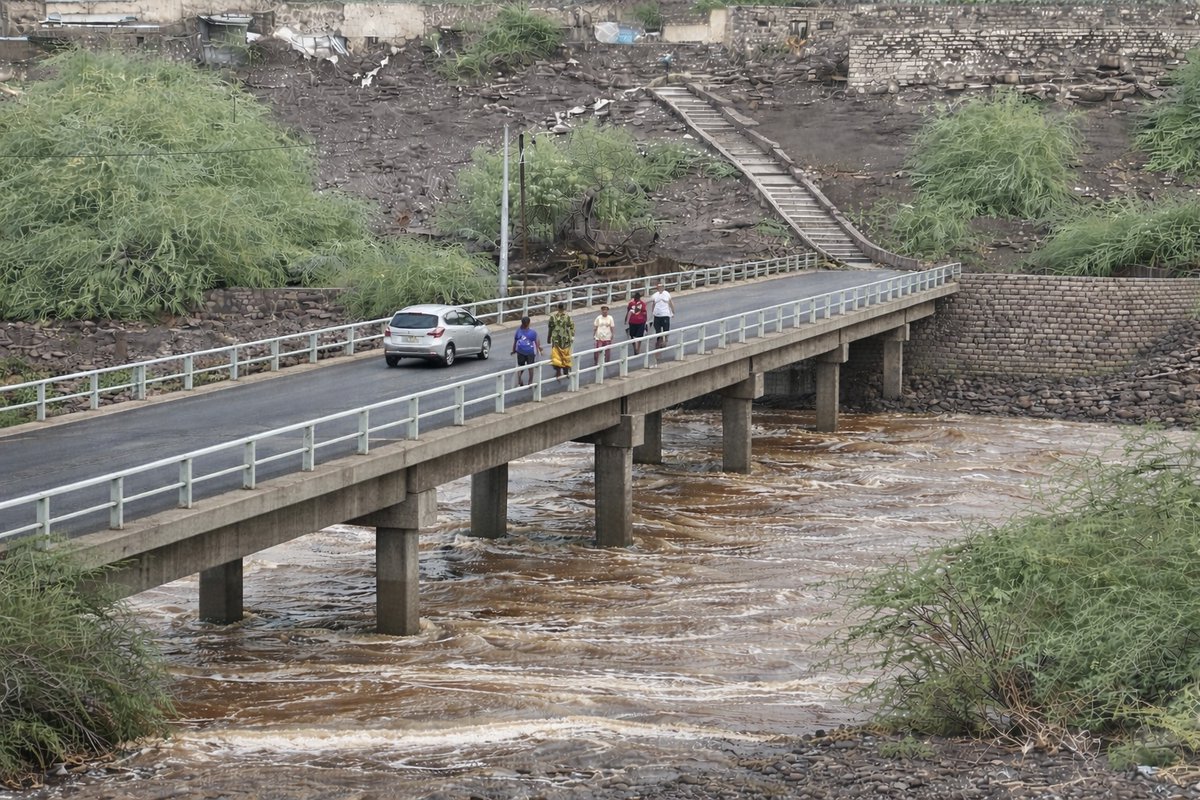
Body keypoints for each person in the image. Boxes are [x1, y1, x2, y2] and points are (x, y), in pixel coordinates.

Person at [511, 316, 542, 387]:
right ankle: (530, 382)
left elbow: (515, 342)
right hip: (530, 352)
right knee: (530, 367)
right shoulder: (533, 332)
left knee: (520, 366)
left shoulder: (518, 331)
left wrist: (513, 351)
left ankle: (519, 379)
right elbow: (537, 342)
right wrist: (539, 349)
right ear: (529, 323)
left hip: (520, 351)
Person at [547, 302, 575, 380]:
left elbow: (550, 328)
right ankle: (566, 370)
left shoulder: (553, 317)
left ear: (557, 308)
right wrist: (571, 335)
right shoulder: (568, 317)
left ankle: (558, 371)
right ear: (564, 308)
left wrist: (548, 338)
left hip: (556, 340)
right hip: (565, 340)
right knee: (565, 355)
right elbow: (572, 327)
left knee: (556, 356)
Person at [650, 281, 675, 350]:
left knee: (666, 329)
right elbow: (653, 304)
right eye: (659, 287)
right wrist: (653, 312)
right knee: (657, 329)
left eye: (662, 287)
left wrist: (673, 312)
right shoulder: (655, 295)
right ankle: (659, 340)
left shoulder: (667, 294)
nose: (660, 288)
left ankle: (665, 341)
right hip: (657, 315)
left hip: (665, 314)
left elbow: (671, 303)